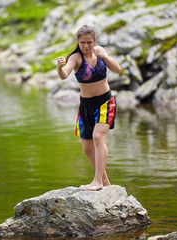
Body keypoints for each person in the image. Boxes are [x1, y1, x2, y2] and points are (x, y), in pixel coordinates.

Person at [56, 25, 121, 191]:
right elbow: (64, 75)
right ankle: (105, 183)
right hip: (85, 105)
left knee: (98, 137)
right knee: (87, 148)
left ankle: (97, 181)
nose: (86, 46)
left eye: (89, 42)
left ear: (95, 41)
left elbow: (118, 69)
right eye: (82, 42)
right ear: (78, 42)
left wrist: (105, 56)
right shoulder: (76, 58)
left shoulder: (100, 52)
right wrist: (59, 67)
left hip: (105, 102)